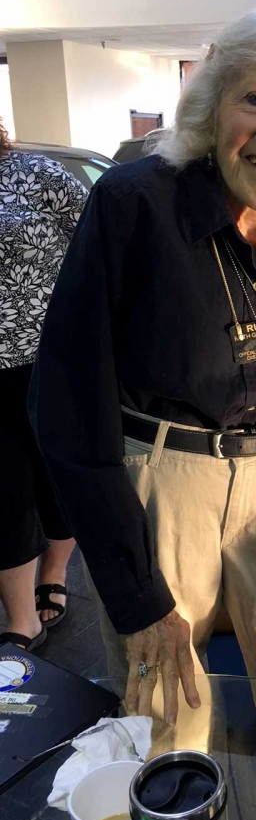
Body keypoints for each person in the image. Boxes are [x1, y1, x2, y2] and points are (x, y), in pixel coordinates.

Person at [30, 10, 256, 820]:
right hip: (160, 478)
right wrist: (134, 590)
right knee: (165, 713)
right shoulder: (136, 204)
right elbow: (67, 402)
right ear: (213, 105)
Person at [0, 119, 86, 651]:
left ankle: (53, 570)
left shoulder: (38, 174)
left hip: (49, 362)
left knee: (56, 478)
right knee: (4, 488)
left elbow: (100, 248)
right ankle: (19, 617)